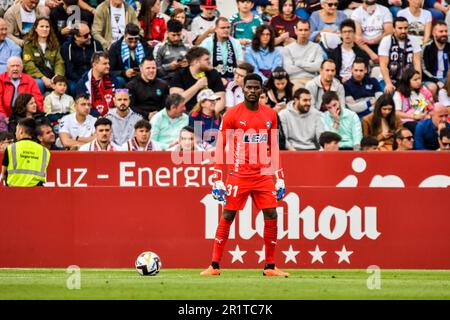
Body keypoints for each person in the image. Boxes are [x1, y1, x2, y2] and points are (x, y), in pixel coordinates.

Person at [200, 73, 289, 277]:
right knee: (228, 215)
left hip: (264, 174)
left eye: (255, 88)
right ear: (243, 89)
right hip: (239, 174)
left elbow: (273, 147)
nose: (251, 91)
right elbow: (221, 146)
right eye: (248, 87)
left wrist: (280, 177)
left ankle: (270, 266)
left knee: (272, 214)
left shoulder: (270, 115)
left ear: (261, 90)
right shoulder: (231, 114)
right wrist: (216, 178)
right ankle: (214, 265)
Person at [169, 46, 226, 113]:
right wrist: (197, 86)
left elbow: (221, 100)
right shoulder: (179, 75)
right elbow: (175, 102)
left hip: (209, 114)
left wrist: (208, 114)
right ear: (195, 62)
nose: (209, 62)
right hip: (186, 114)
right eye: (206, 59)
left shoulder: (213, 73)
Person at [0, 118, 50, 186]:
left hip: (14, 191)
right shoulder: (45, 151)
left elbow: (3, 173)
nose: (15, 133)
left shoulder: (11, 148)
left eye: (16, 130)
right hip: (37, 190)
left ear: (21, 131)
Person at [379, 17, 422, 94]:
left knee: (422, 94)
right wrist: (388, 83)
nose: (403, 31)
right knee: (389, 93)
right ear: (393, 29)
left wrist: (418, 80)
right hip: (389, 78)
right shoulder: (386, 40)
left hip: (408, 79)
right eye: (400, 28)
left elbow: (417, 63)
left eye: (405, 28)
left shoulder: (414, 40)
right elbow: (383, 65)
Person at [22, 17, 65, 94]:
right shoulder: (29, 44)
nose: (45, 29)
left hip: (52, 74)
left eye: (47, 27)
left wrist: (57, 76)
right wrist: (43, 78)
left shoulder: (55, 44)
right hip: (37, 76)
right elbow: (28, 64)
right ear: (35, 29)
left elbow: (59, 62)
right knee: (39, 83)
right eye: (41, 26)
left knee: (61, 84)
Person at [61, 22, 103, 96]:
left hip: (95, 76)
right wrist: (83, 80)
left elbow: (101, 64)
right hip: (76, 78)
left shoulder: (96, 44)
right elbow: (69, 70)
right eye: (86, 36)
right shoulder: (67, 47)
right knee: (73, 87)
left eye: (90, 33)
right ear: (76, 37)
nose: (89, 37)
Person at [281, 18, 324, 90]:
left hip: (313, 79)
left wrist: (298, 63)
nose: (303, 33)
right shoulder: (287, 49)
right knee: (298, 89)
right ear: (296, 31)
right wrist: (310, 65)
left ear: (310, 31)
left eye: (306, 30)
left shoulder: (316, 47)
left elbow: (318, 67)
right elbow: (288, 69)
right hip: (294, 80)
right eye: (300, 30)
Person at [75, 51, 121, 117]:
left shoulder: (113, 79)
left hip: (114, 116)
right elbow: (83, 106)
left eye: (108, 63)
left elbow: (120, 99)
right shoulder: (83, 83)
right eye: (105, 64)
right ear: (94, 65)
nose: (108, 66)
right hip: (92, 118)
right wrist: (98, 116)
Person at [199, 17, 244, 83]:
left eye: (228, 27)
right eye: (223, 28)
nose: (226, 30)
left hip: (232, 78)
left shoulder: (235, 42)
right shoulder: (206, 43)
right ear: (216, 29)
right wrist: (218, 78)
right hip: (210, 77)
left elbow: (240, 63)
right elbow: (202, 65)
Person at [327, 19, 370, 83]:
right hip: (338, 82)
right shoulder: (333, 53)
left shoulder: (362, 53)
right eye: (344, 32)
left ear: (354, 33)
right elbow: (329, 71)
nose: (347, 34)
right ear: (341, 34)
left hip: (357, 82)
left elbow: (365, 72)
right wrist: (340, 79)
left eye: (350, 31)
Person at [393, 67, 434, 132]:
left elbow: (426, 108)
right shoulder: (399, 94)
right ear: (407, 81)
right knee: (419, 128)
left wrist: (427, 114)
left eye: (419, 79)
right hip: (407, 121)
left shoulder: (423, 90)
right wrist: (413, 116)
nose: (418, 81)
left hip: (422, 118)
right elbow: (396, 113)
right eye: (415, 80)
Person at [422, 21, 450, 96]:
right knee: (432, 88)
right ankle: (434, 107)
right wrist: (436, 81)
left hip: (447, 78)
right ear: (434, 33)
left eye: (446, 31)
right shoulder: (427, 47)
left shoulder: (449, 46)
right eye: (441, 31)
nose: (444, 33)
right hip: (431, 79)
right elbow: (423, 69)